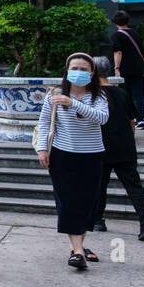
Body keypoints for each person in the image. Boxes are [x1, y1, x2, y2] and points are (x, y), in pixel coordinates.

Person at [34, 52, 108, 270]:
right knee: (68, 203)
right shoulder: (54, 95)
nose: (78, 73)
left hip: (92, 156)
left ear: (92, 73)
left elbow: (102, 118)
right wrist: (41, 150)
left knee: (87, 204)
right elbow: (45, 123)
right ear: (67, 71)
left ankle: (78, 248)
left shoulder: (99, 97)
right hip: (62, 155)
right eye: (74, 69)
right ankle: (77, 251)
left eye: (83, 69)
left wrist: (73, 103)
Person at [90, 57, 144, 240]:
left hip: (100, 147)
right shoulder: (122, 94)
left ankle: (98, 220)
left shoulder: (93, 95)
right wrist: (129, 141)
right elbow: (132, 122)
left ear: (93, 72)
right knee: (134, 185)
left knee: (99, 185)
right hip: (125, 147)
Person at [111, 10, 144, 130]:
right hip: (138, 69)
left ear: (115, 23)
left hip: (125, 70)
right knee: (138, 95)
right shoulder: (135, 34)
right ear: (128, 21)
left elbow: (118, 52)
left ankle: (128, 119)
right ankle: (140, 120)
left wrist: (117, 68)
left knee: (124, 95)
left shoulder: (116, 35)